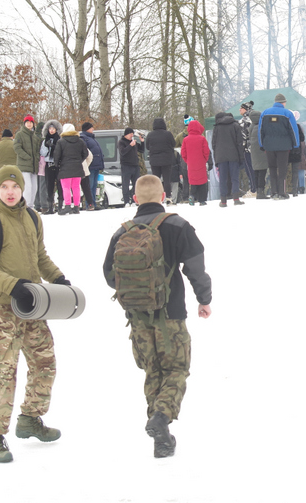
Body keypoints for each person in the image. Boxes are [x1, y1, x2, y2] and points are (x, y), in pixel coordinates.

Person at [101, 174, 212, 459]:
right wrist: (204, 299)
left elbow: (109, 275)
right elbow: (196, 268)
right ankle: (161, 418)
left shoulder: (122, 232)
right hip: (171, 314)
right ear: (163, 196)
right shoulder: (178, 225)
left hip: (137, 317)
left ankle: (160, 438)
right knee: (176, 369)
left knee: (153, 371)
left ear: (135, 199)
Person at [0, 165, 68, 464]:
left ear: (22, 189)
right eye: (4, 187)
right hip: (2, 309)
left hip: (33, 306)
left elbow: (39, 256)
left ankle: (30, 419)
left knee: (45, 363)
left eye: (15, 187)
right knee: (3, 373)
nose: (10, 192)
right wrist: (13, 286)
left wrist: (58, 278)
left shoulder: (32, 217)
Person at [258, 93, 299, 200]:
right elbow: (293, 130)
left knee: (272, 168)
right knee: (282, 169)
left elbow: (260, 130)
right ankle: (282, 192)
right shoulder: (287, 113)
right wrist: (296, 145)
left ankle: (274, 192)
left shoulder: (264, 113)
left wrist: (261, 144)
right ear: (283, 103)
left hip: (269, 146)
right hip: (284, 146)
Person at [53, 123, 89, 214]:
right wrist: (79, 160)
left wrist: (58, 164)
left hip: (65, 168)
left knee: (66, 188)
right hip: (77, 167)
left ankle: (68, 205)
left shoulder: (61, 142)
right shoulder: (80, 141)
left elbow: (56, 155)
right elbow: (86, 153)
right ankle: (76, 206)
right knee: (76, 187)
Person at [212, 110, 244, 206]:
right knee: (235, 178)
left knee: (223, 179)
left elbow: (214, 144)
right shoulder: (235, 125)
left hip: (221, 156)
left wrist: (216, 158)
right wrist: (241, 157)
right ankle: (236, 198)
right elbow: (239, 143)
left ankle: (223, 201)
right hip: (233, 155)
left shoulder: (217, 127)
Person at [180, 120, 211, 205]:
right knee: (202, 181)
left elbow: (183, 153)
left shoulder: (186, 140)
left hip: (191, 164)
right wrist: (204, 160)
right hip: (201, 162)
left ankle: (192, 195)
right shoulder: (202, 139)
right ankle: (202, 200)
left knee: (193, 181)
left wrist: (188, 161)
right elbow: (206, 151)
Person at [14, 115, 41, 207]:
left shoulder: (35, 137)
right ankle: (25, 206)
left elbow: (37, 150)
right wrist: (27, 157)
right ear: (24, 124)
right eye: (27, 122)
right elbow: (17, 148)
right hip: (24, 165)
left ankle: (30, 206)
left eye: (31, 122)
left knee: (34, 188)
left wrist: (36, 158)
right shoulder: (20, 134)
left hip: (34, 166)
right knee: (27, 187)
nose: (29, 124)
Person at [146, 118, 177, 198]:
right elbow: (173, 144)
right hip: (166, 160)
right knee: (167, 180)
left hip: (154, 161)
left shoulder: (150, 135)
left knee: (156, 180)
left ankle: (156, 197)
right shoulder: (168, 134)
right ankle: (168, 197)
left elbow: (147, 147)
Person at [79, 123, 105, 210]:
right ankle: (89, 204)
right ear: (87, 129)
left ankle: (93, 203)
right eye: (91, 127)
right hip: (90, 165)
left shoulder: (91, 138)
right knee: (89, 186)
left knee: (94, 186)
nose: (93, 129)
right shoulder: (84, 138)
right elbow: (85, 153)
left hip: (96, 165)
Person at [40, 120, 62, 214]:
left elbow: (61, 151)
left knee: (60, 186)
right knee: (49, 186)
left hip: (58, 165)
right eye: (50, 128)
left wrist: (54, 147)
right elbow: (42, 153)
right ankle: (50, 207)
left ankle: (60, 205)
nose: (51, 130)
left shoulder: (60, 140)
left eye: (53, 128)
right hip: (49, 165)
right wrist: (47, 146)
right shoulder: (45, 140)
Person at [117, 127, 143, 207]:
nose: (132, 136)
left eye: (132, 134)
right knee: (126, 184)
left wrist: (142, 142)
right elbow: (122, 152)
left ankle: (134, 200)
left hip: (135, 165)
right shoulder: (121, 142)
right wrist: (130, 146)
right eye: (130, 134)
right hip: (126, 165)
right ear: (126, 134)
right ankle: (126, 201)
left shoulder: (133, 142)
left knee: (136, 184)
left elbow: (141, 150)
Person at [249, 110, 269, 199]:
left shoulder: (251, 126)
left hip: (254, 152)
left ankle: (258, 191)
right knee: (262, 172)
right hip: (261, 152)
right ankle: (261, 192)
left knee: (256, 172)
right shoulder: (261, 126)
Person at [238, 102, 256, 193]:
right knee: (257, 169)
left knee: (249, 169)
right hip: (256, 148)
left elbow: (243, 137)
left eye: (241, 108)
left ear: (246, 109)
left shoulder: (243, 121)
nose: (239, 109)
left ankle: (253, 189)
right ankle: (258, 188)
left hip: (247, 149)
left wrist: (241, 149)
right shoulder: (255, 119)